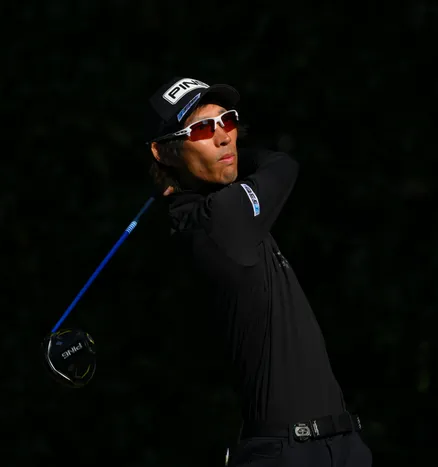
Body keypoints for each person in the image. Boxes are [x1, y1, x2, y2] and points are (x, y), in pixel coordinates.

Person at [145, 76, 373, 466]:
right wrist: (234, 159)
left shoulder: (211, 212)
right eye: (202, 129)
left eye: (228, 121)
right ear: (163, 152)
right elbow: (281, 164)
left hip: (339, 446)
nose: (223, 137)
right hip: (286, 454)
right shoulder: (218, 220)